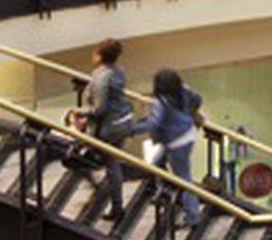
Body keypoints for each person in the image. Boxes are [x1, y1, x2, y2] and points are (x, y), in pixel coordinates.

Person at [132, 68, 205, 225]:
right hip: (187, 133)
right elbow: (198, 99)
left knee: (185, 180)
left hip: (175, 142)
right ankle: (164, 193)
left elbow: (153, 123)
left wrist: (132, 129)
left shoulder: (161, 102)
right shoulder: (184, 89)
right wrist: (190, 112)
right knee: (156, 164)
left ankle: (193, 216)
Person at [77, 38, 134, 221]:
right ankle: (115, 204)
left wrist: (79, 112)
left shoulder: (101, 77)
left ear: (100, 56)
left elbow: (99, 109)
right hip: (123, 122)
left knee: (81, 158)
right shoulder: (119, 71)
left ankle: (103, 196)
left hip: (109, 128)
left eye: (95, 51)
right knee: (112, 163)